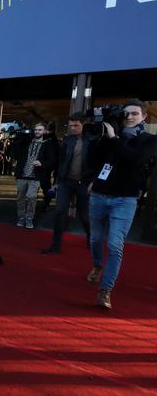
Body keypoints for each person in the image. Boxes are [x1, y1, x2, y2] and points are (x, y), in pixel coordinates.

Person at [86, 100, 157, 309]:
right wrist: (99, 135)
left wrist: (114, 138)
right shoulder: (109, 136)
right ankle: (98, 265)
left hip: (125, 200)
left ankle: (105, 290)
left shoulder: (149, 140)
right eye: (126, 114)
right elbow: (94, 160)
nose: (130, 117)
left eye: (135, 113)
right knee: (96, 238)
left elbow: (136, 160)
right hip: (99, 195)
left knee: (116, 245)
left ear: (144, 117)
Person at [42, 112, 93, 255]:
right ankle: (55, 245)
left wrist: (94, 181)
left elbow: (98, 163)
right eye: (71, 126)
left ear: (84, 124)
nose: (73, 128)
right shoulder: (67, 140)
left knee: (84, 216)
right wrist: (57, 182)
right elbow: (61, 162)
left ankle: (91, 238)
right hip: (66, 181)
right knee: (59, 211)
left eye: (76, 125)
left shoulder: (92, 140)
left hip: (84, 183)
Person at [12, 122, 55, 229]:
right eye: (36, 129)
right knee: (20, 198)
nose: (37, 131)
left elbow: (52, 160)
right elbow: (15, 154)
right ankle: (21, 217)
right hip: (22, 175)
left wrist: (42, 163)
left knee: (31, 197)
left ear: (44, 131)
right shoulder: (26, 142)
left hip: (35, 176)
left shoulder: (48, 144)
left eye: (40, 130)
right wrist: (18, 139)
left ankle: (29, 217)